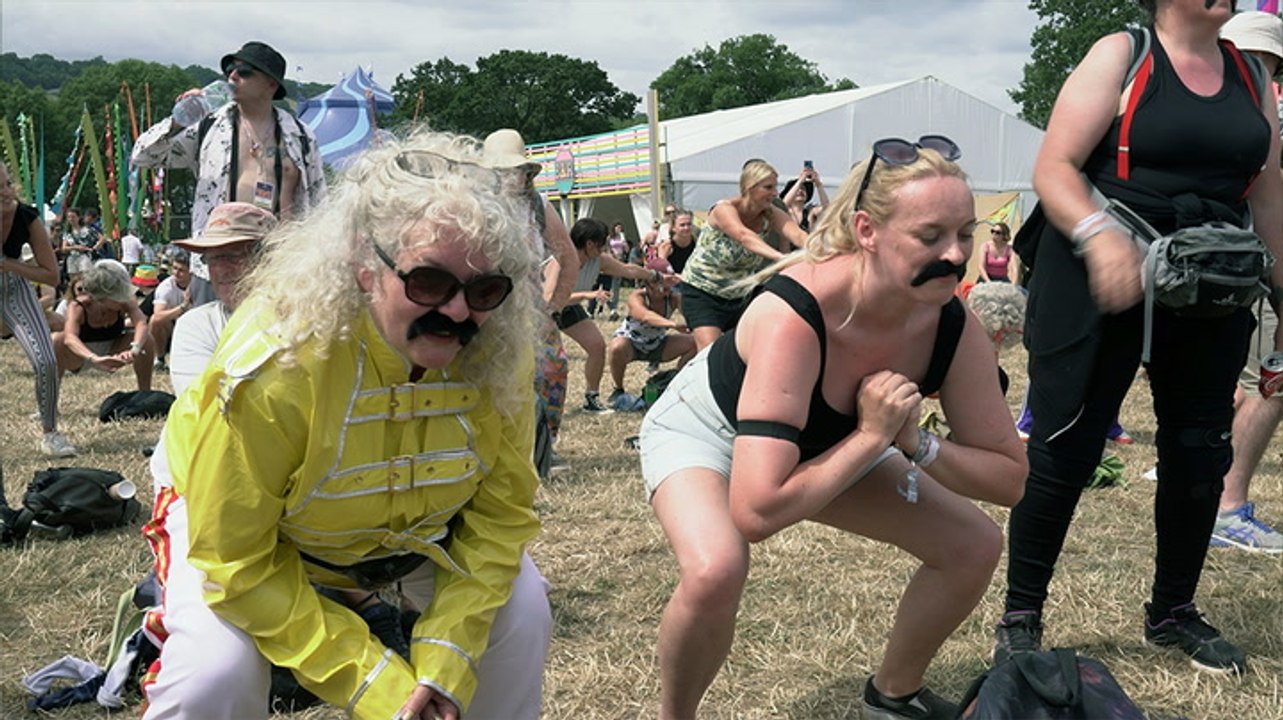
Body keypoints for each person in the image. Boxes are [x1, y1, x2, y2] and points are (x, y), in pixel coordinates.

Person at [139, 130, 552, 720]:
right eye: (429, 282)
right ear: (364, 265)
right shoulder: (275, 364)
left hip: (410, 539)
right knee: (213, 675)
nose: (459, 312)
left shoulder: (500, 350)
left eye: (484, 288)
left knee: (524, 609)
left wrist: (445, 657)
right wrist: (374, 681)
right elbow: (236, 560)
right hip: (239, 532)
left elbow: (502, 515)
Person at [640, 136, 1027, 720]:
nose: (955, 256)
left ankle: (894, 697)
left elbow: (1009, 481)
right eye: (930, 237)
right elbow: (757, 512)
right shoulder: (793, 314)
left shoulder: (952, 323)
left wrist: (915, 441)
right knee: (716, 567)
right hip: (708, 431)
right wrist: (873, 437)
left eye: (965, 235)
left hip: (841, 440)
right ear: (867, 231)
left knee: (972, 544)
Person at [995, 0, 1283, 676]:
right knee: (1065, 443)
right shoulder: (1121, 54)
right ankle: (1020, 616)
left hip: (1207, 274)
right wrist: (1099, 238)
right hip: (1100, 267)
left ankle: (1172, 612)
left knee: (1197, 450)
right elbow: (1055, 167)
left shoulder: (1250, 78)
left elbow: (1266, 192)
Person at [131, 40, 325, 307]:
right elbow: (142, 156)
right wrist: (178, 120)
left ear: (271, 84)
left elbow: (318, 205)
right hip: (215, 266)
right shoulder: (208, 125)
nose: (233, 76)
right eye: (230, 69)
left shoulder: (301, 136)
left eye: (245, 71)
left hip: (278, 266)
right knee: (215, 345)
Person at [1207, 9, 1283, 554]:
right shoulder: (1250, 113)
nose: (1262, 72)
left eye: (1270, 64)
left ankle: (1210, 486)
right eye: (1255, 59)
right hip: (1241, 263)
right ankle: (1226, 504)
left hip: (1244, 262)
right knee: (1271, 380)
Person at [479, 128, 579, 473]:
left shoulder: (538, 205)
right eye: (503, 171)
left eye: (517, 170)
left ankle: (543, 447)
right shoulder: (473, 205)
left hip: (532, 307)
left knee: (552, 371)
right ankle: (494, 449)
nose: (512, 177)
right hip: (485, 305)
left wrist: (555, 305)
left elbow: (568, 256)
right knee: (493, 376)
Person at [678, 159, 808, 351]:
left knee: (744, 353)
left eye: (775, 187)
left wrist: (823, 250)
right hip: (701, 292)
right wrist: (780, 258)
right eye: (768, 187)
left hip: (739, 296)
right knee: (709, 353)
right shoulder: (724, 209)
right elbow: (744, 236)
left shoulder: (771, 214)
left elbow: (798, 235)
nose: (775, 193)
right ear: (749, 187)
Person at [556, 218, 677, 413]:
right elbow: (554, 297)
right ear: (589, 244)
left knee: (596, 346)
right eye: (601, 243)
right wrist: (588, 295)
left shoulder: (599, 260)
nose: (604, 247)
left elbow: (627, 270)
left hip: (570, 309)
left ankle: (591, 399)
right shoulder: (561, 259)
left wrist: (655, 276)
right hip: (544, 312)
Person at [0, 159, 76, 457]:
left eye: (7, 185)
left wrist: (10, 264)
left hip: (15, 290)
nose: (6, 193)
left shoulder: (27, 218)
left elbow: (52, 276)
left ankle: (51, 433)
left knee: (45, 360)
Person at [52, 259, 156, 392]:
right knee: (56, 340)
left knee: (147, 339)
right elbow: (70, 338)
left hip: (112, 348)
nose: (123, 299)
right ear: (101, 298)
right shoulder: (78, 306)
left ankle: (144, 394)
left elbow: (141, 323)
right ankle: (50, 403)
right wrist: (94, 358)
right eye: (117, 296)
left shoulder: (126, 302)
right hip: (81, 356)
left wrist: (134, 350)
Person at [606, 274, 695, 404]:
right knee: (616, 346)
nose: (667, 286)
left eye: (669, 281)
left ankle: (673, 382)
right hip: (632, 343)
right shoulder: (637, 296)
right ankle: (618, 389)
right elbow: (645, 316)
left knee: (695, 343)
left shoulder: (674, 298)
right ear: (650, 284)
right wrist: (673, 325)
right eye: (662, 282)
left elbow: (692, 315)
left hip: (658, 342)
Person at [148, 249, 194, 366]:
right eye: (174, 268)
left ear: (191, 272)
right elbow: (157, 316)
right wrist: (182, 307)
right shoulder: (166, 287)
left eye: (181, 270)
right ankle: (160, 359)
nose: (176, 273)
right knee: (155, 321)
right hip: (172, 327)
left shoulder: (200, 285)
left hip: (195, 327)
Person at [779, 163, 830, 232]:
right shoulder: (783, 212)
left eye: (803, 189)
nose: (800, 191)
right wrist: (800, 181)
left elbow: (827, 208)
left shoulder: (810, 212)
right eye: (798, 189)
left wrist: (818, 184)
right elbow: (783, 204)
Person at [657, 209, 697, 274]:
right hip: (672, 281)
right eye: (682, 225)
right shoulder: (666, 247)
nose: (686, 228)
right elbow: (661, 272)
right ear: (673, 227)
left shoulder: (697, 245)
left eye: (689, 224)